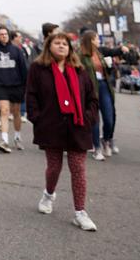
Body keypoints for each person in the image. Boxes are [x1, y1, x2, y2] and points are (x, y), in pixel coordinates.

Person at [26, 30, 99, 231]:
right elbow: (31, 96)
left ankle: (80, 212)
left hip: (78, 127)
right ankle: (48, 194)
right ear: (49, 46)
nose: (61, 46)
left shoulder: (79, 70)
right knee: (54, 167)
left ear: (70, 48)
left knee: (78, 169)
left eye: (65, 44)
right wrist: (37, 118)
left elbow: (93, 99)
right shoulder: (38, 69)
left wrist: (88, 118)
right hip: (51, 127)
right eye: (57, 43)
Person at [77, 28, 123, 160]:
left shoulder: (99, 52)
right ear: (90, 40)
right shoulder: (81, 55)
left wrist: (109, 67)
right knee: (94, 119)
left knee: (109, 117)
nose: (99, 40)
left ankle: (106, 139)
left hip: (104, 86)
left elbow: (106, 69)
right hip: (90, 89)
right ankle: (96, 148)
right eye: (97, 38)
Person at [0, 25, 28, 152]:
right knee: (4, 111)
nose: (3, 36)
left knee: (16, 113)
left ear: (8, 35)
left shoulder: (16, 50)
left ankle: (17, 137)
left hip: (16, 86)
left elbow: (23, 69)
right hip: (1, 86)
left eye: (5, 33)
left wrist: (24, 86)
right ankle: (4, 140)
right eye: (1, 34)